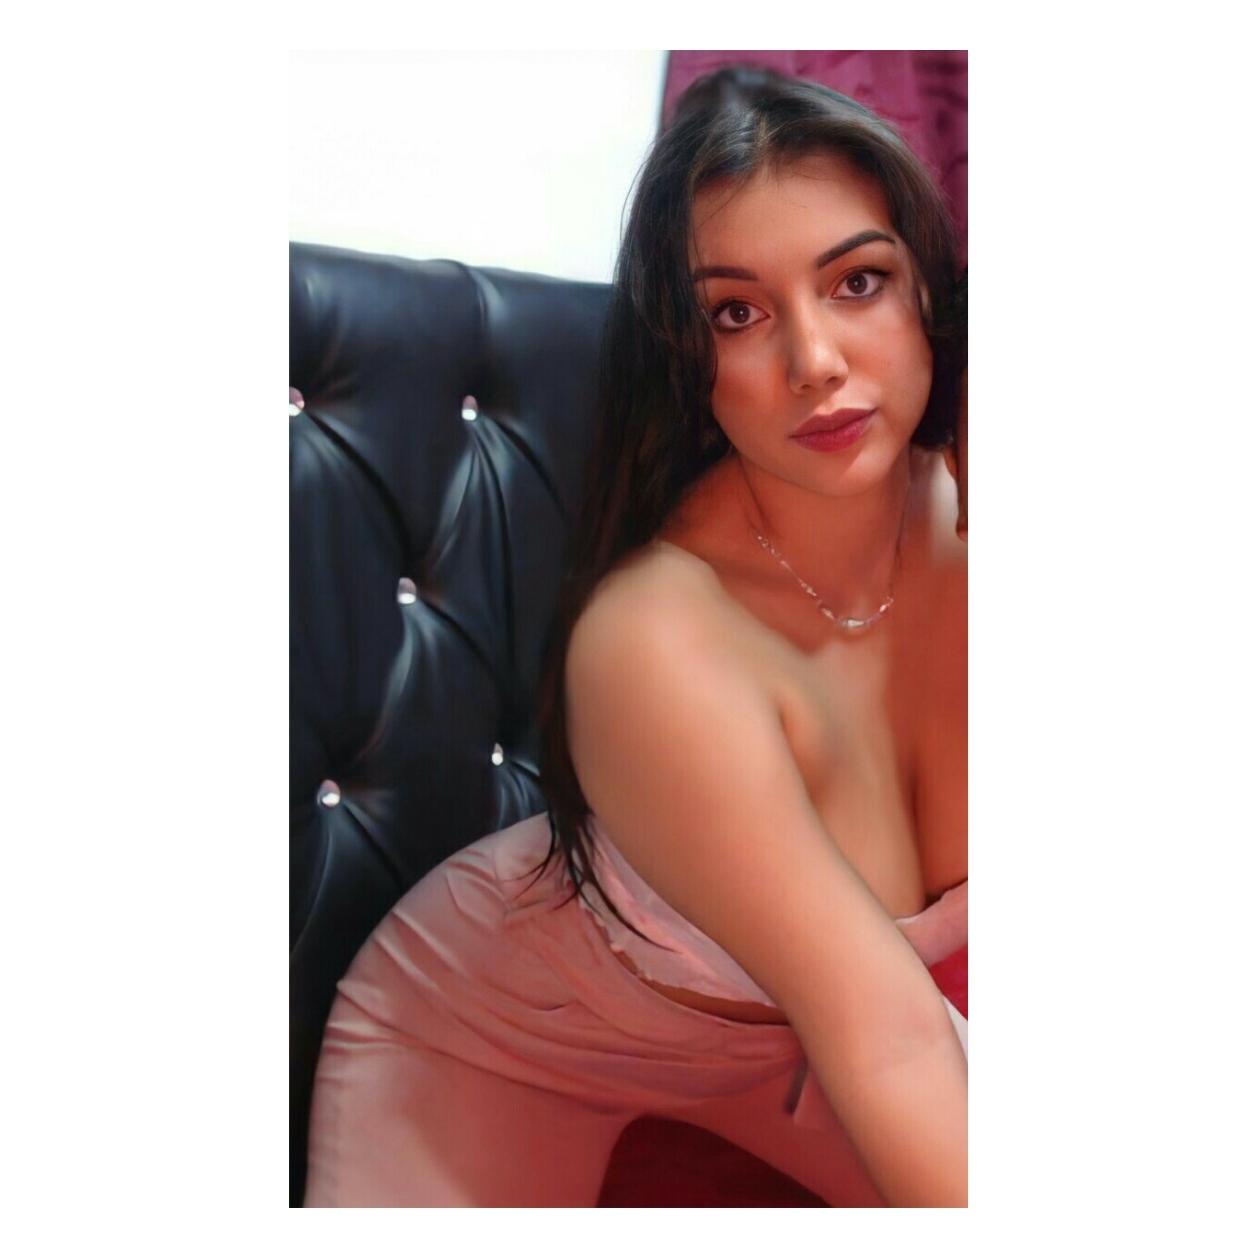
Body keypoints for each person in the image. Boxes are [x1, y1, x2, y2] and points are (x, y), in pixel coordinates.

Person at [304, 65, 968, 1208]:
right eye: (736, 313)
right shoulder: (654, 640)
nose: (813, 362)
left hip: (795, 1039)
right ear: (686, 355)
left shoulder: (967, 516)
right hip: (496, 1029)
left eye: (856, 281)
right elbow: (891, 1041)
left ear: (929, 297)